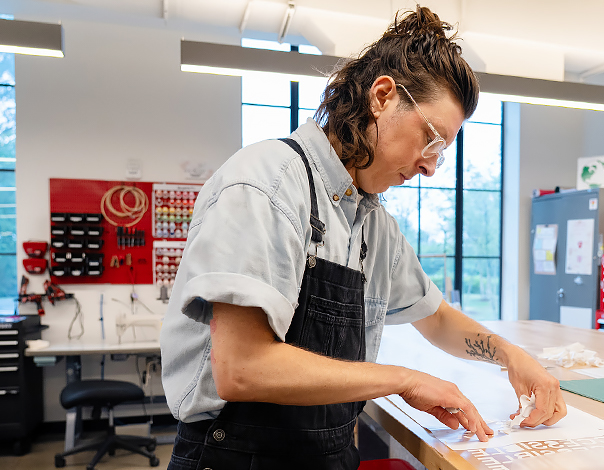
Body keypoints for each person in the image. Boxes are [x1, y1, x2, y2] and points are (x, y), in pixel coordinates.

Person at [160, 6, 566, 469]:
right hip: (238, 457)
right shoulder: (268, 184)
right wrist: (401, 379)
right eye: (431, 139)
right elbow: (241, 368)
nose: (431, 165)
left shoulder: (373, 223)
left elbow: (435, 319)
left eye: (443, 152)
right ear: (382, 96)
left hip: (328, 456)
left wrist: (510, 356)